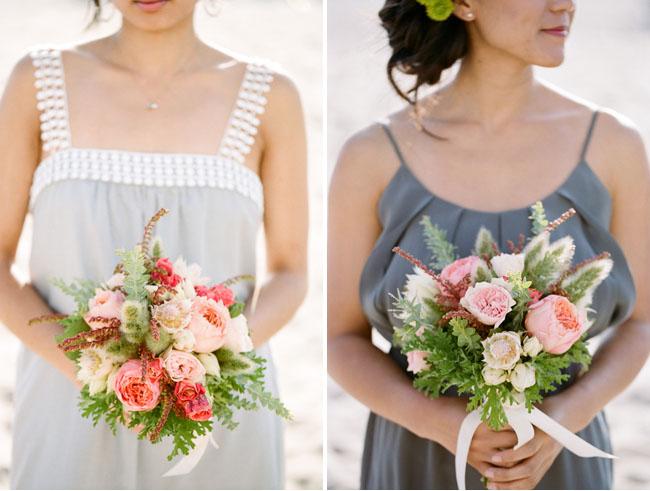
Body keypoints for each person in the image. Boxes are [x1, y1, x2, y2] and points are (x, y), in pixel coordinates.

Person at [328, 0, 650, 489]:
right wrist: (442, 424)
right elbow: (339, 340)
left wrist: (562, 419)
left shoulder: (614, 146)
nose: (564, 5)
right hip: (419, 457)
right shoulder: (372, 156)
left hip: (560, 459)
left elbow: (642, 324)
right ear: (462, 4)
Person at [0, 0, 308, 488]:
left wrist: (210, 363)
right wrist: (90, 369)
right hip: (68, 398)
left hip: (215, 407)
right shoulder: (35, 80)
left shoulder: (272, 95)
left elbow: (291, 271)